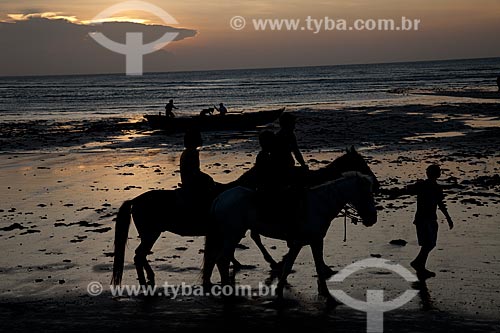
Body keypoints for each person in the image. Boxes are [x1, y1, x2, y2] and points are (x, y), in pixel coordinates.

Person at [388, 164, 454, 280]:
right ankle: (418, 264)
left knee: (428, 244)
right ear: (438, 174)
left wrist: (448, 218)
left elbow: (439, 203)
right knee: (429, 244)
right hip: (425, 219)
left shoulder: (428, 186)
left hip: (426, 219)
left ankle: (419, 264)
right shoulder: (428, 186)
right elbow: (440, 204)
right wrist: (448, 218)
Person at [179, 129, 215, 203]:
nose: (201, 140)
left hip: (187, 181)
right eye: (199, 138)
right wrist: (207, 178)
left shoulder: (187, 152)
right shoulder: (192, 153)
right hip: (191, 184)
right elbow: (194, 172)